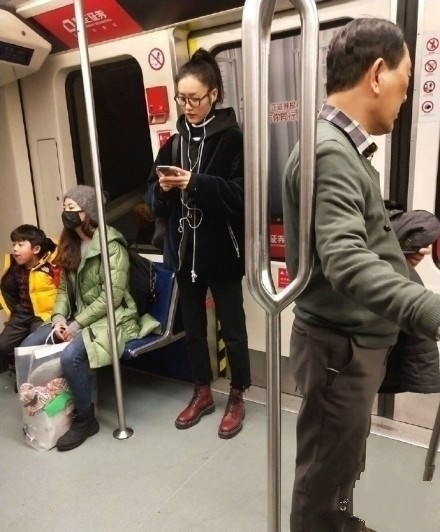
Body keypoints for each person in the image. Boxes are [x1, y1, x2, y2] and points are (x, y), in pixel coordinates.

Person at [283, 18, 440, 532]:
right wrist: (431, 311)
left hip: (347, 343)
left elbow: (345, 240)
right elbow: (345, 260)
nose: (405, 96)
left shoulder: (338, 147)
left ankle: (340, 524)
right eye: (405, 81)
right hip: (340, 347)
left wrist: (392, 252)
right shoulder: (330, 152)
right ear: (377, 74)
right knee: (325, 470)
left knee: (343, 456)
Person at [145, 48, 250, 439]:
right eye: (181, 99)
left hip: (222, 251)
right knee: (192, 330)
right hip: (183, 251)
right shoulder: (173, 144)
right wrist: (164, 190)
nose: (187, 106)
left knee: (233, 328)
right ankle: (202, 391)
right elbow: (151, 202)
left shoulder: (232, 139)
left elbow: (242, 196)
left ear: (214, 95)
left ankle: (237, 394)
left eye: (194, 98)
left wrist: (195, 182)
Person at [21, 185, 140, 451]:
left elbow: (112, 298)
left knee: (70, 357)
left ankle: (86, 419)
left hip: (112, 316)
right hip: (77, 316)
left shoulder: (111, 245)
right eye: (65, 207)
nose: (66, 213)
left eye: (72, 208)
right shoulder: (70, 244)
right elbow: (64, 289)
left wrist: (75, 325)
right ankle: (44, 407)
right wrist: (59, 319)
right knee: (30, 344)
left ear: (89, 212)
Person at [0, 225, 58, 373]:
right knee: (3, 345)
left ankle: (37, 374)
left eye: (20, 245)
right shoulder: (14, 270)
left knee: (34, 345)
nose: (15, 249)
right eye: (14, 244)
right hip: (22, 314)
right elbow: (9, 292)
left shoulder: (50, 268)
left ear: (36, 249)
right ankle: (19, 369)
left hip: (42, 315)